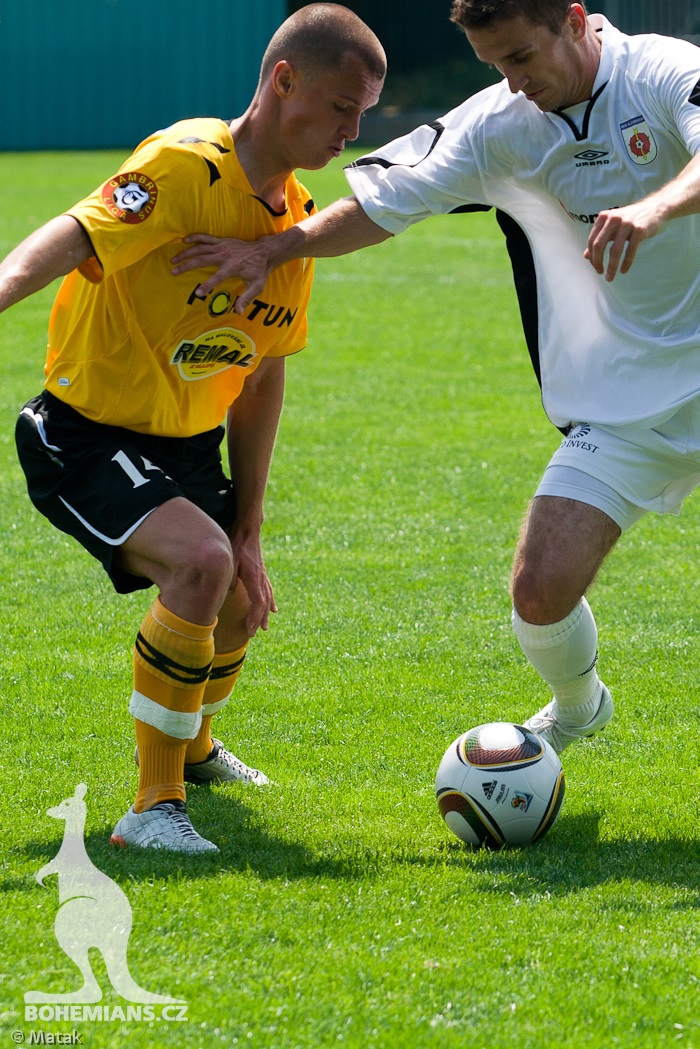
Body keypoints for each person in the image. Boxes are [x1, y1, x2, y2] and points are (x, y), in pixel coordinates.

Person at [170, 0, 700, 757]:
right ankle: (580, 708)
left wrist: (650, 211)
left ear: (576, 22)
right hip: (625, 407)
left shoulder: (665, 71)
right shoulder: (499, 122)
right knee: (539, 591)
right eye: (495, 67)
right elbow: (382, 207)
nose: (512, 83)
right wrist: (277, 249)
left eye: (520, 58)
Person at [2, 4, 386, 853]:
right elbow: (73, 235)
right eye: (340, 109)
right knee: (200, 564)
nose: (351, 133)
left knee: (244, 598)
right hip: (84, 433)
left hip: (183, 445)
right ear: (284, 81)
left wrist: (249, 522)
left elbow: (262, 372)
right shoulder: (184, 164)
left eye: (361, 116)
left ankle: (199, 748)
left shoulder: (297, 221)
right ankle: (152, 807)